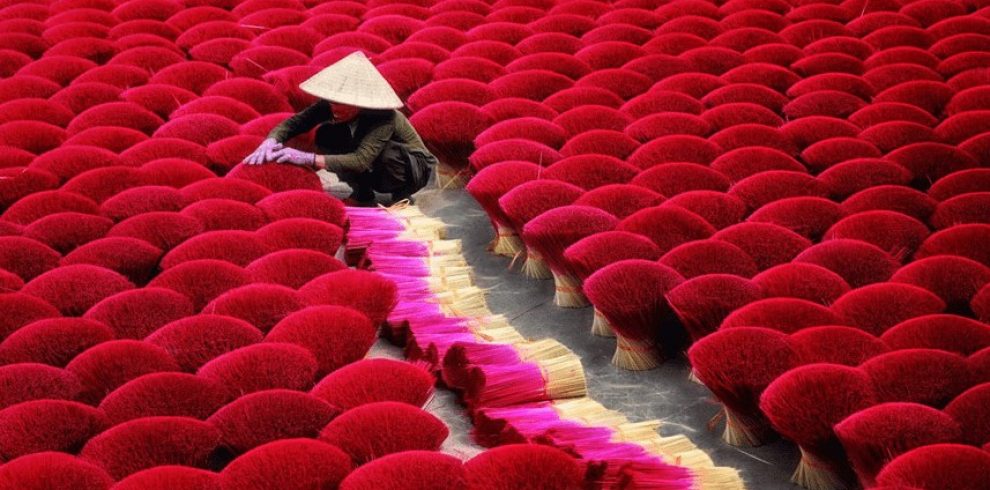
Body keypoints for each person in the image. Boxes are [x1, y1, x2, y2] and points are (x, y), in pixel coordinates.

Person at [243, 51, 438, 206]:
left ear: (359, 103)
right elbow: (294, 123)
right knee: (326, 135)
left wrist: (307, 158)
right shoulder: (330, 105)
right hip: (375, 164)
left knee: (387, 153)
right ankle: (362, 194)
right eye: (332, 103)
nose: (334, 108)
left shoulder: (384, 116)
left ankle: (401, 195)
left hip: (412, 169)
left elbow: (361, 160)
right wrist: (270, 141)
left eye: (341, 104)